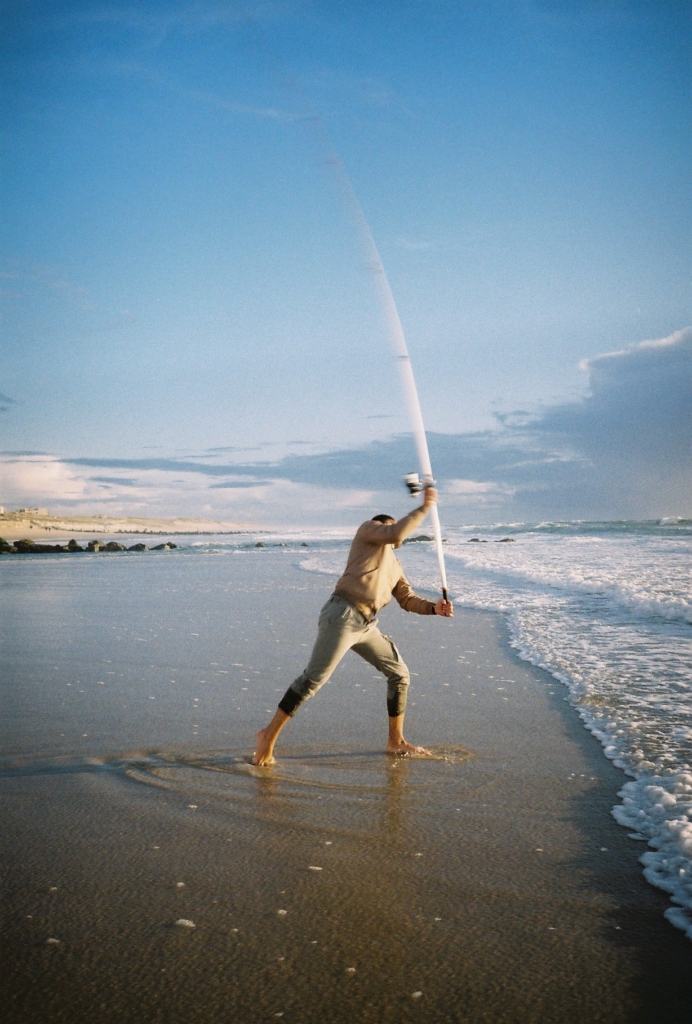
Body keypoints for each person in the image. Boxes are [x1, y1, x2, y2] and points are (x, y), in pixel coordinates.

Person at [252, 486, 453, 765]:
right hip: (343, 614)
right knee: (312, 680)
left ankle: (395, 741)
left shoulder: (394, 565)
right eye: (388, 527)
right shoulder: (368, 532)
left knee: (400, 674)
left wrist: (434, 608)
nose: (390, 533)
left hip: (366, 625)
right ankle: (267, 736)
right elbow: (395, 533)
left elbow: (407, 599)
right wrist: (425, 507)